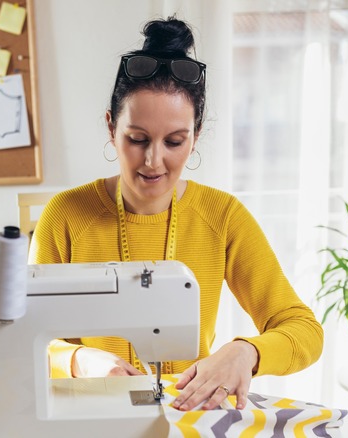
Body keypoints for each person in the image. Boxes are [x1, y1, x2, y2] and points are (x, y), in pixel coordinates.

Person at [30, 16, 323, 412]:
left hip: (189, 415)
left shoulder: (223, 217)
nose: (153, 160)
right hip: (95, 413)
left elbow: (305, 331)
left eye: (174, 141)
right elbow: (29, 337)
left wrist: (245, 352)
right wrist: (80, 360)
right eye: (137, 139)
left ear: (196, 137)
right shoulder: (64, 217)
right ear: (110, 127)